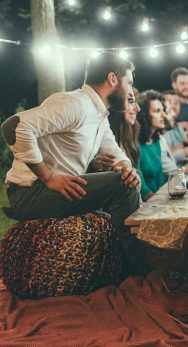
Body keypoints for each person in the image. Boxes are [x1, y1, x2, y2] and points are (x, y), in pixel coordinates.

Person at [1, 52, 147, 275]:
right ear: (113, 79)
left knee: (126, 180)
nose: (130, 93)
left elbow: (117, 155)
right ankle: (140, 269)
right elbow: (14, 126)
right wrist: (47, 177)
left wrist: (128, 169)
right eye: (129, 83)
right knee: (121, 186)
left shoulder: (99, 115)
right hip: (30, 192)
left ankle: (125, 262)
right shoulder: (75, 104)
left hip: (56, 191)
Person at [89, 87, 141, 171]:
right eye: (131, 101)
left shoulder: (131, 136)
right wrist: (90, 165)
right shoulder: (100, 137)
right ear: (116, 104)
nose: (138, 109)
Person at [136, 90, 171, 201]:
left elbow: (160, 179)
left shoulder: (155, 141)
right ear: (144, 115)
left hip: (159, 199)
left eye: (163, 110)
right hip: (145, 206)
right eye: (157, 111)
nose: (163, 115)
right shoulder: (134, 144)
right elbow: (143, 191)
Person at [162, 90, 188, 165]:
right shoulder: (162, 129)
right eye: (168, 103)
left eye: (176, 103)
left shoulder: (177, 127)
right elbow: (170, 158)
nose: (172, 106)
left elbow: (180, 147)